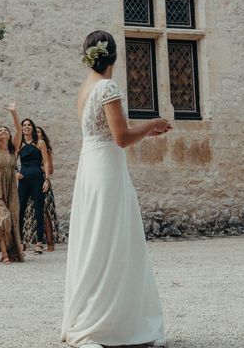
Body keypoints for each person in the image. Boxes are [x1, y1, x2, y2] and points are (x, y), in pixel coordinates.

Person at [60, 30, 171, 347]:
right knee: (114, 241)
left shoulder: (85, 89)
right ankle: (105, 326)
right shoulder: (107, 87)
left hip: (91, 166)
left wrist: (145, 132)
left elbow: (107, 132)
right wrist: (151, 124)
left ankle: (102, 322)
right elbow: (121, 137)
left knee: (97, 241)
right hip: (106, 170)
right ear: (115, 57)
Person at [0, 99, 24, 263]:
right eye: (0, 130)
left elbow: (19, 130)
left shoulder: (13, 150)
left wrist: (14, 112)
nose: (2, 131)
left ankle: (10, 250)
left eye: (5, 130)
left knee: (12, 220)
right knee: (3, 218)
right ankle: (4, 254)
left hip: (11, 190)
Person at [17, 117, 51, 255]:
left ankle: (39, 243)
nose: (26, 127)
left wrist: (47, 180)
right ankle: (19, 241)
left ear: (32, 127)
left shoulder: (40, 142)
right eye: (24, 125)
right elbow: (12, 160)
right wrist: (15, 173)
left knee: (39, 210)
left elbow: (46, 162)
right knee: (20, 210)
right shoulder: (19, 143)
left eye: (29, 125)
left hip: (38, 178)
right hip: (24, 179)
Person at [23, 126, 60, 251]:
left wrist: (39, 169)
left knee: (45, 210)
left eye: (38, 132)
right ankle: (31, 239)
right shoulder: (30, 148)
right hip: (31, 181)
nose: (36, 134)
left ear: (42, 136)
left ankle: (50, 241)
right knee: (32, 211)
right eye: (35, 132)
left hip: (43, 180)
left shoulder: (45, 150)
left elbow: (51, 169)